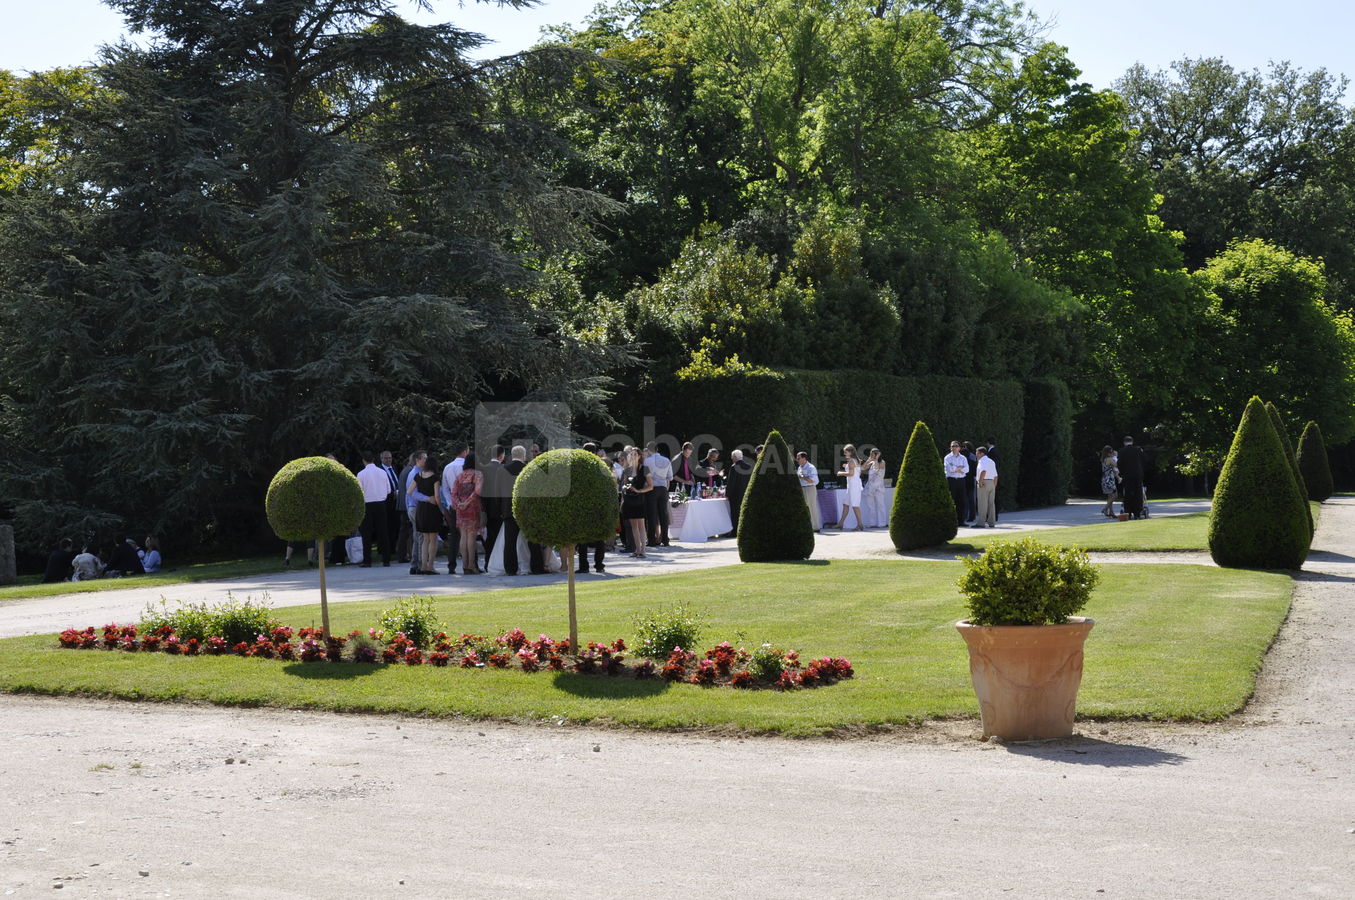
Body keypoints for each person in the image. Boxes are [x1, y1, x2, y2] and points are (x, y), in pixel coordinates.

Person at [356, 451, 393, 567]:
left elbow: (359, 492)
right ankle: (386, 559)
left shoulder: (361, 474)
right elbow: (389, 490)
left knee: (366, 533)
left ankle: (367, 560)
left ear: (364, 461)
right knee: (383, 531)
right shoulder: (382, 472)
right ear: (374, 459)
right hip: (381, 503)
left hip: (367, 504)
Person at [577, 443, 609, 573]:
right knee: (599, 537)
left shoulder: (580, 466)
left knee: (582, 538)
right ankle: (599, 565)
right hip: (598, 505)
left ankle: (584, 566)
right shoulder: (601, 465)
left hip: (584, 505)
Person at [451, 453, 483, 574]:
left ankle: (464, 565)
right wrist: (468, 502)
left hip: (460, 508)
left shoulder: (460, 476)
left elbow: (453, 493)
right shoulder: (478, 474)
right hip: (472, 507)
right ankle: (471, 565)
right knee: (471, 537)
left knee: (463, 536)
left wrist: (459, 503)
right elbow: (477, 491)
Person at [411, 454, 442, 574]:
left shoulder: (418, 476)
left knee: (425, 539)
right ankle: (431, 566)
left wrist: (423, 498)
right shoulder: (435, 477)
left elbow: (410, 491)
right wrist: (441, 509)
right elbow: (437, 496)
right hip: (432, 509)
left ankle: (423, 565)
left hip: (421, 508)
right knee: (433, 538)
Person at [441, 443, 469, 574]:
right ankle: (469, 563)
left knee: (454, 536)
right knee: (468, 534)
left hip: (453, 504)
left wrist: (450, 502)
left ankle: (451, 565)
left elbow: (445, 488)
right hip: (466, 504)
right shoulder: (467, 466)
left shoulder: (447, 467)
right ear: (465, 451)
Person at [621, 447, 654, 557]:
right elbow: (624, 485)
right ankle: (637, 550)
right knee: (633, 526)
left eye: (635, 454)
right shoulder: (627, 470)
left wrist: (639, 490)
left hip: (640, 500)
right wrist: (626, 488)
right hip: (629, 500)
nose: (633, 456)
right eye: (631, 454)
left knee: (641, 525)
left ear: (639, 456)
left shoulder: (645, 469)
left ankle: (643, 550)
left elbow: (651, 486)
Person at [503, 445, 528, 575]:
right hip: (526, 510)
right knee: (532, 540)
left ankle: (510, 568)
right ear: (523, 455)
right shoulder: (527, 469)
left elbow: (498, 492)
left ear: (512, 455)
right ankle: (536, 565)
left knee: (510, 542)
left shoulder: (504, 469)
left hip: (509, 509)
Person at [646, 441, 673, 546]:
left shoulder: (647, 461)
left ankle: (652, 540)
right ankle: (665, 539)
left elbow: (645, 476)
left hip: (651, 488)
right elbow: (670, 477)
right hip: (663, 488)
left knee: (652, 515)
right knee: (664, 515)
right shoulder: (666, 460)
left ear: (648, 450)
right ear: (657, 449)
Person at [723, 448, 754, 537]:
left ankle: (735, 532)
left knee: (735, 513)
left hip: (736, 495)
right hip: (746, 493)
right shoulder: (749, 466)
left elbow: (731, 483)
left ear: (735, 457)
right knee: (744, 512)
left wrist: (727, 494)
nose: (732, 459)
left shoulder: (734, 467)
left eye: (732, 457)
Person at [837, 444, 865, 531]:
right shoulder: (853, 460)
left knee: (855, 505)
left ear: (851, 452)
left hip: (854, 486)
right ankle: (841, 523)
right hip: (852, 485)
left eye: (846, 452)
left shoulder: (852, 461)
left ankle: (860, 524)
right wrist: (846, 466)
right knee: (846, 504)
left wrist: (840, 473)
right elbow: (855, 472)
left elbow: (851, 474)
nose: (844, 453)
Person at [1118, 435, 1146, 519]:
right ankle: (1137, 512)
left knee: (1128, 493)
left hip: (1127, 475)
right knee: (1138, 493)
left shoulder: (1122, 451)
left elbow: (1119, 464)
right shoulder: (1138, 450)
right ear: (1132, 442)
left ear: (1124, 442)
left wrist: (1122, 473)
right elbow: (1145, 459)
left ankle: (1128, 512)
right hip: (1137, 474)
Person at [943, 441, 970, 526]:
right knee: (951, 500)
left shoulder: (963, 458)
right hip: (951, 480)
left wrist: (956, 468)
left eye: (956, 446)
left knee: (961, 501)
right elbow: (949, 469)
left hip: (961, 481)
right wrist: (960, 468)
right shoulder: (947, 458)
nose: (954, 447)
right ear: (950, 448)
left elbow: (967, 469)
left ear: (959, 448)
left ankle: (961, 521)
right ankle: (950, 521)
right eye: (952, 446)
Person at [795, 451, 822, 532]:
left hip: (810, 488)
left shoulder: (811, 467)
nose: (797, 459)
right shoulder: (800, 467)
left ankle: (816, 527)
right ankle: (807, 526)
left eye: (798, 458)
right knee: (804, 508)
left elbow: (813, 480)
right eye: (797, 458)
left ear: (804, 458)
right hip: (802, 488)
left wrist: (802, 476)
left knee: (812, 508)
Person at [862, 448, 888, 528]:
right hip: (870, 487)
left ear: (877, 455)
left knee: (880, 505)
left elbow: (877, 468)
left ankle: (882, 523)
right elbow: (862, 468)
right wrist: (868, 460)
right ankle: (872, 523)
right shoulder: (871, 462)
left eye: (872, 454)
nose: (871, 456)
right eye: (870, 454)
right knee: (871, 506)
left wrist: (876, 459)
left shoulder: (882, 462)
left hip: (878, 487)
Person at [974, 446, 998, 528]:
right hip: (992, 482)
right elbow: (996, 476)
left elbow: (983, 471)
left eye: (977, 453)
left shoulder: (982, 461)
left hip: (984, 482)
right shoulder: (991, 461)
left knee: (982, 503)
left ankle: (981, 523)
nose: (976, 455)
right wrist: (993, 486)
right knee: (991, 504)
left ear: (981, 453)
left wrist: (980, 482)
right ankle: (991, 522)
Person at [1099, 445, 1121, 517]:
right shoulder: (1110, 459)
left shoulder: (1104, 459)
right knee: (1115, 495)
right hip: (1110, 480)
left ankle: (1111, 512)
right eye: (1111, 452)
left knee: (1110, 496)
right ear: (1108, 453)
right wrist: (1116, 456)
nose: (1112, 453)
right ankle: (1105, 508)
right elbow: (1117, 465)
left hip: (1105, 479)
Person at [961, 441, 978, 525]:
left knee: (967, 499)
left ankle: (967, 516)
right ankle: (971, 515)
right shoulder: (972, 458)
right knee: (971, 499)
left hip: (966, 480)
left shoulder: (964, 459)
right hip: (971, 480)